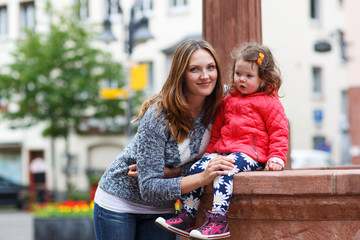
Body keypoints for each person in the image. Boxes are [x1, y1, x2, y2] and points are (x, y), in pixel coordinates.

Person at [93, 39, 236, 240]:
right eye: (194, 69)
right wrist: (202, 178)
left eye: (211, 67)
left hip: (163, 208)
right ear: (181, 75)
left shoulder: (224, 102)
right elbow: (149, 188)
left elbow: (260, 94)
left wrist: (174, 172)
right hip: (119, 201)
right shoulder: (159, 115)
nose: (205, 76)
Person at [155, 42, 289, 239]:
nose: (241, 79)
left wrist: (277, 157)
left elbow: (279, 131)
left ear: (263, 78)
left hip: (251, 155)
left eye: (249, 76)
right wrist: (209, 153)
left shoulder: (269, 102)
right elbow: (217, 131)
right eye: (238, 74)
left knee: (223, 170)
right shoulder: (228, 100)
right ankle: (188, 215)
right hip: (223, 151)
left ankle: (218, 220)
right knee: (197, 169)